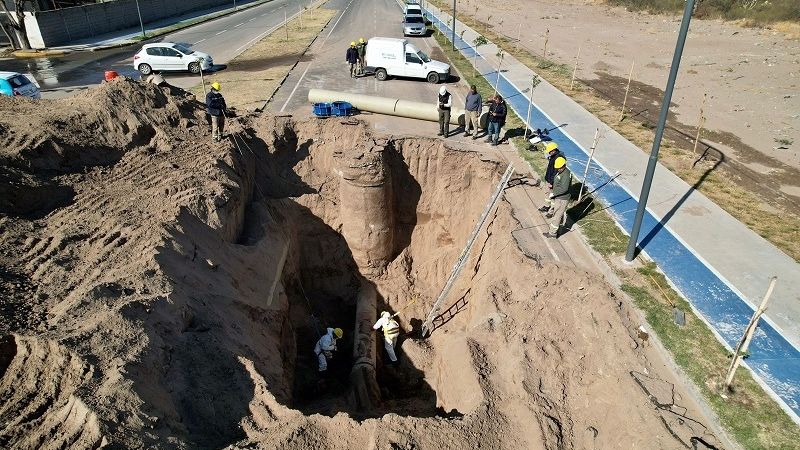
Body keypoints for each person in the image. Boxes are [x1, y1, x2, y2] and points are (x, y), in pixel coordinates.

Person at [543, 156, 572, 239]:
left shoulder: (566, 175)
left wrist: (554, 193)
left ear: (563, 165)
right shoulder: (561, 172)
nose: (558, 169)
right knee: (558, 214)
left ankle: (552, 233)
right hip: (559, 197)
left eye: (559, 168)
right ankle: (559, 227)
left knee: (557, 216)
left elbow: (564, 188)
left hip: (562, 199)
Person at [539, 141, 564, 215]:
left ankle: (551, 211)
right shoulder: (553, 156)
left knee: (552, 196)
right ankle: (547, 206)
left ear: (554, 150)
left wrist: (551, 182)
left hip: (553, 182)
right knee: (548, 195)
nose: (548, 153)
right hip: (549, 179)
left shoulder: (558, 159)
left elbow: (556, 172)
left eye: (549, 151)